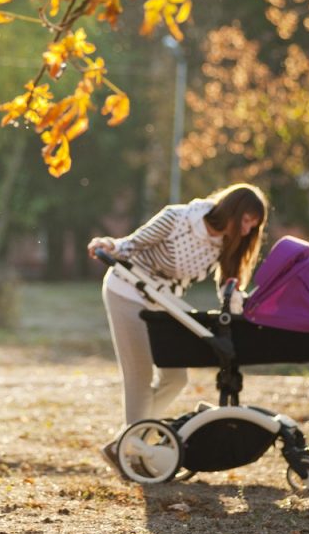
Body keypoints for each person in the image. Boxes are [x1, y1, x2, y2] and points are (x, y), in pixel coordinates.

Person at [86, 183, 269, 475]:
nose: (247, 231)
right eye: (246, 221)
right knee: (140, 376)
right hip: (127, 291)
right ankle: (130, 456)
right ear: (233, 210)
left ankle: (126, 442)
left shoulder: (226, 243)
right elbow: (131, 244)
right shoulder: (179, 218)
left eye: (253, 226)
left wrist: (243, 311)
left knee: (175, 377)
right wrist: (107, 245)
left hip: (164, 301)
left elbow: (229, 287)